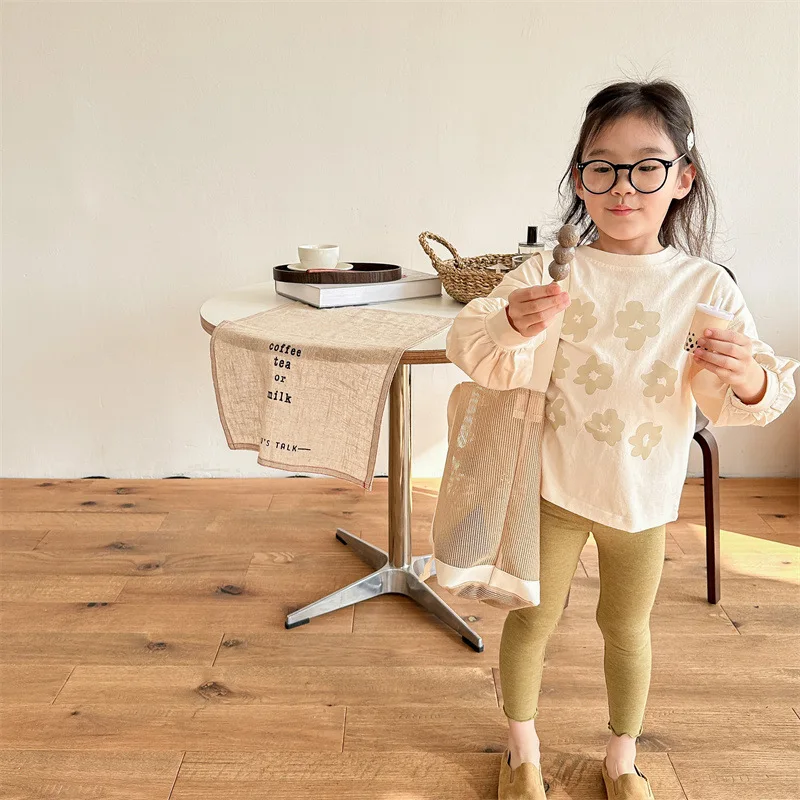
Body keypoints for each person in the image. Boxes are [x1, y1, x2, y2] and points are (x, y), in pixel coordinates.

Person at [444, 79, 799, 800]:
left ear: (683, 177)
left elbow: (753, 393)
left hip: (643, 494)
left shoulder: (705, 287)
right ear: (579, 177)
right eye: (601, 167)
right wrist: (509, 323)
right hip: (551, 485)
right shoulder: (550, 270)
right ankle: (521, 748)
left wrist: (750, 378)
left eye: (647, 167)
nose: (623, 187)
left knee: (628, 627)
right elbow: (471, 344)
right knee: (532, 617)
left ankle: (622, 758)